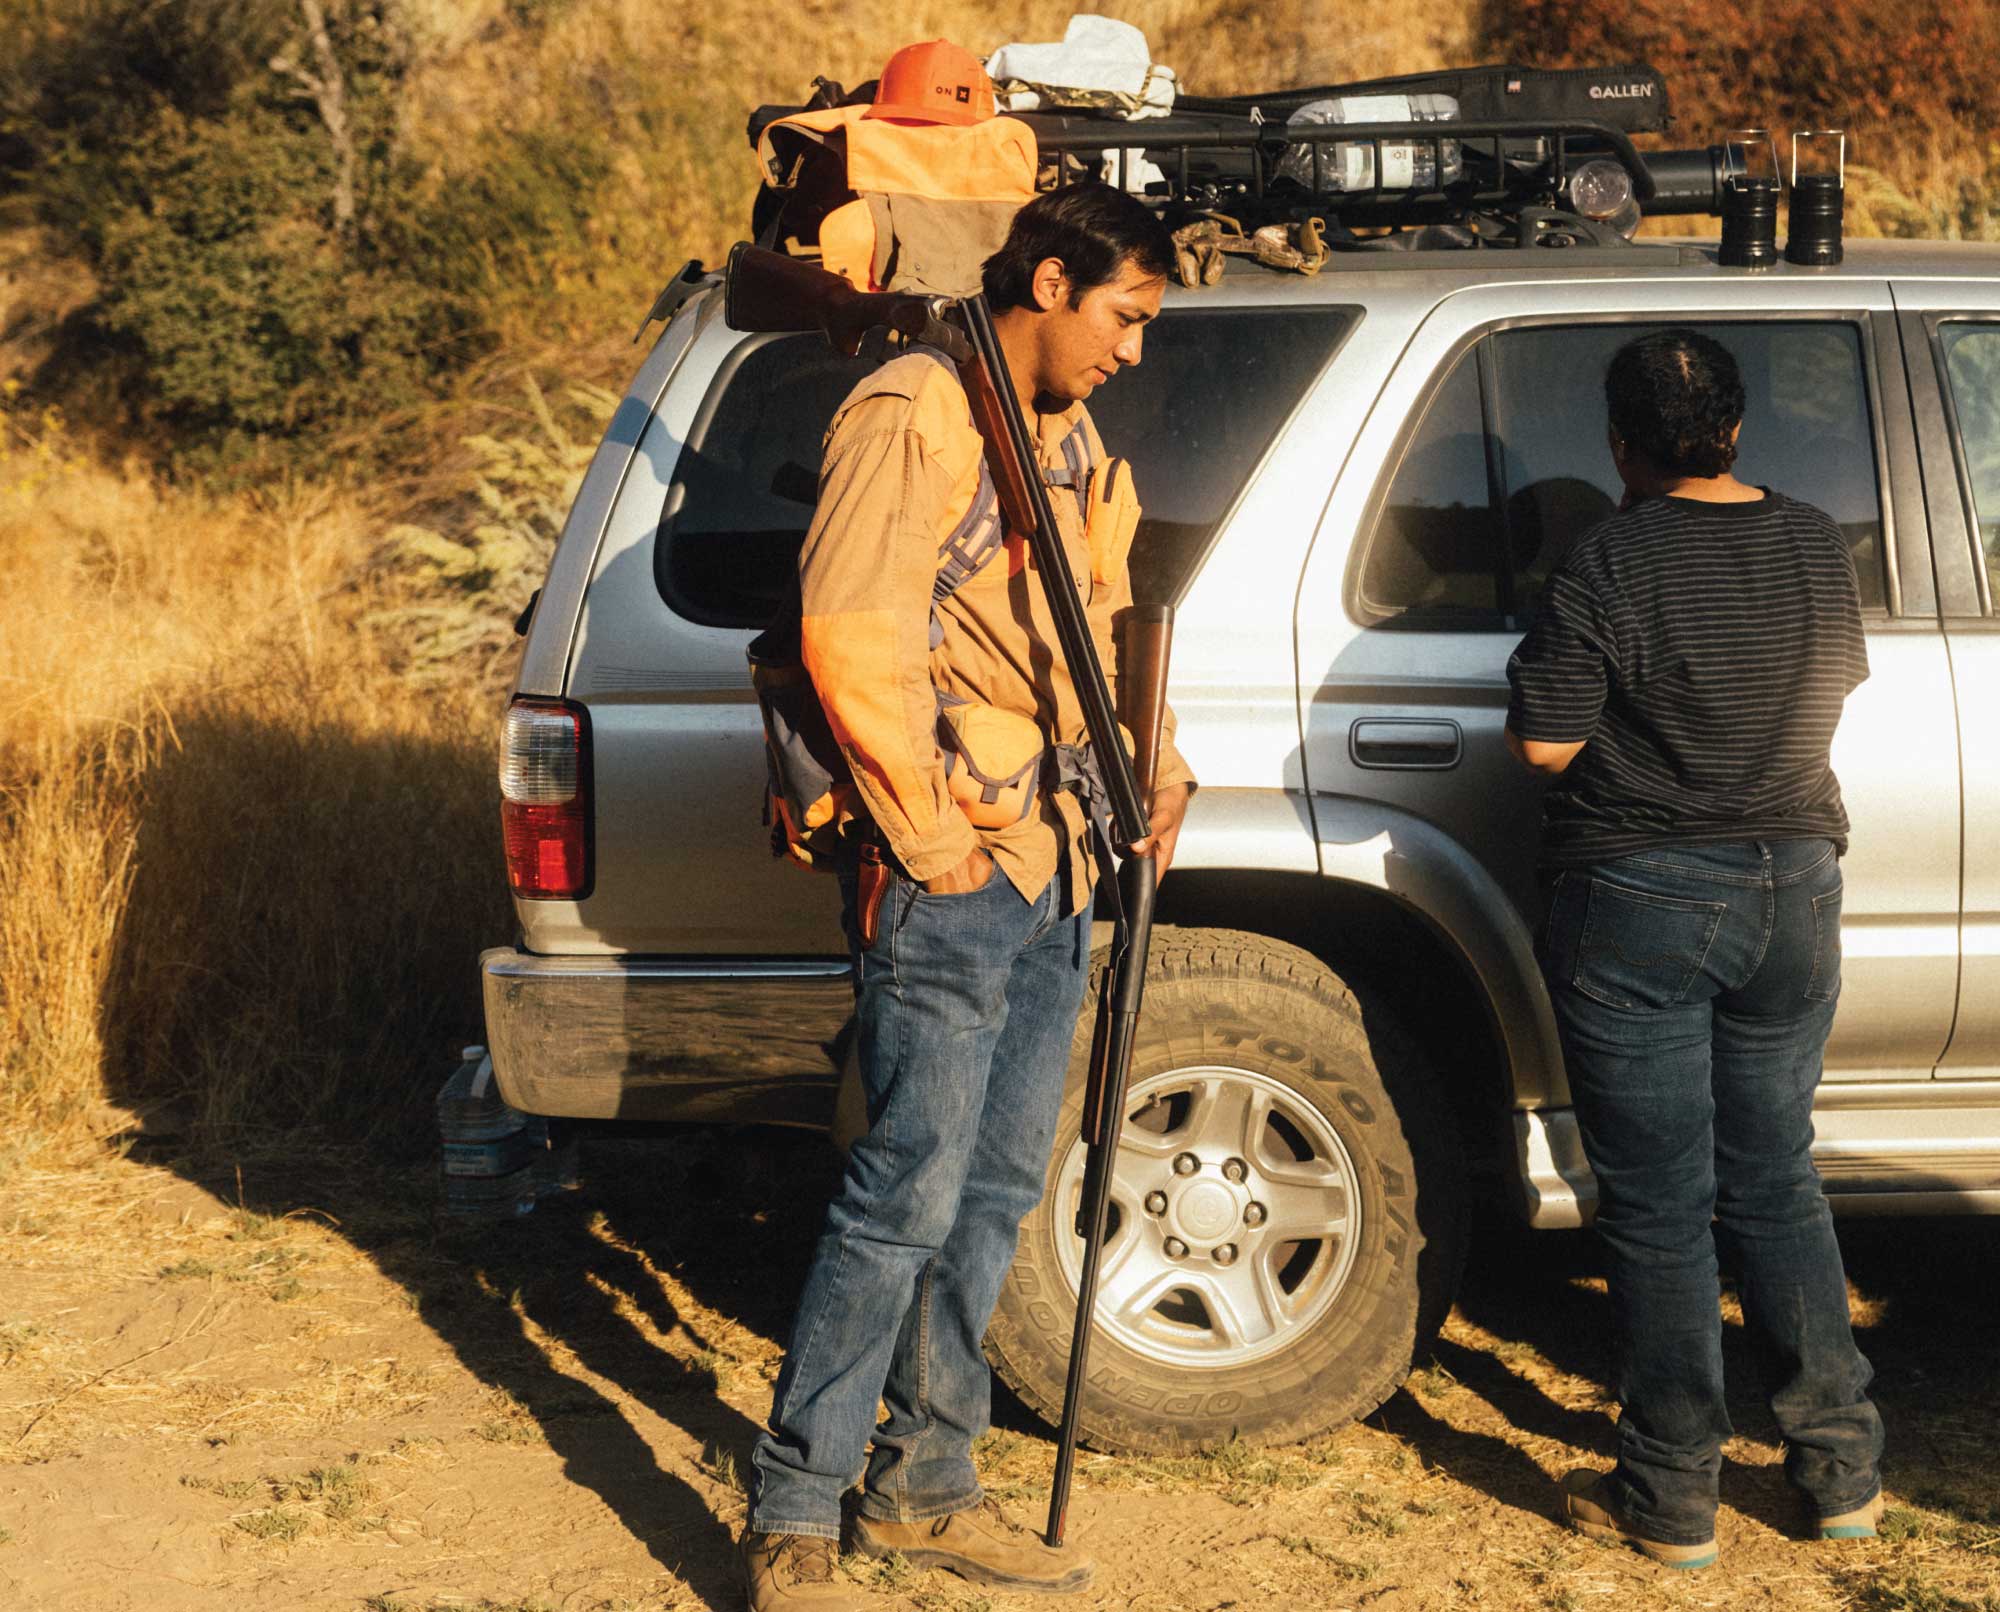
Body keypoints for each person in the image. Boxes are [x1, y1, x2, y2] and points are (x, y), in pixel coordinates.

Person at [740, 181, 1195, 1612]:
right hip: (959, 865)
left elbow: (1105, 612)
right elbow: (849, 633)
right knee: (903, 1195)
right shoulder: (918, 409)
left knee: (994, 1195)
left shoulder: (1062, 425)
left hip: (1059, 851)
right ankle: (795, 1513)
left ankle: (927, 1489)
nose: (1135, 348)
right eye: (1125, 315)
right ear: (1049, 281)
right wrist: (933, 841)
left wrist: (1156, 761)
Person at [1503, 328, 1884, 1571]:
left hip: (1644, 897)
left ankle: (1672, 1498)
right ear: (1734, 430)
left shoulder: (1604, 557)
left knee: (1662, 1207)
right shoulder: (1813, 539)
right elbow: (1837, 685)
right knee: (1774, 1176)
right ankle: (1838, 1471)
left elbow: (1545, 751)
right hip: (1794, 887)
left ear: (1617, 444)